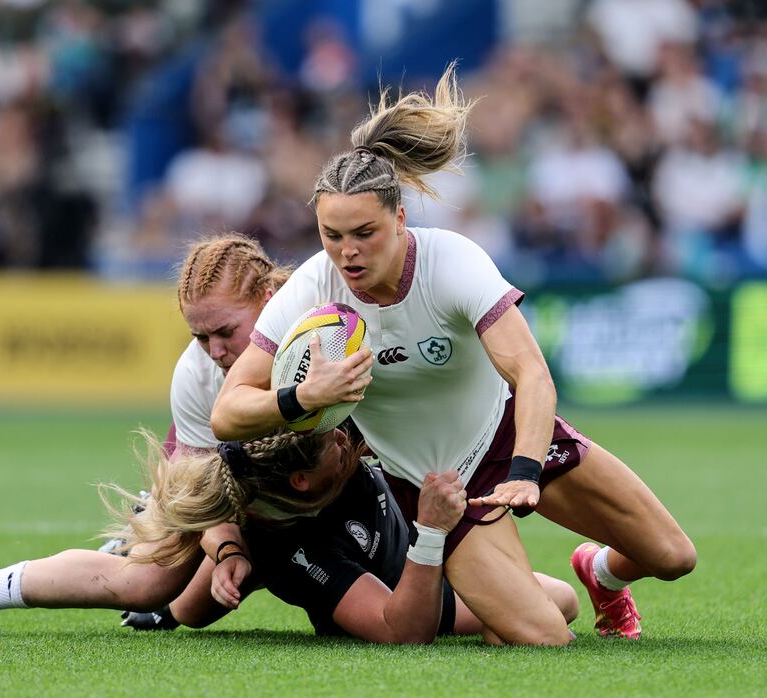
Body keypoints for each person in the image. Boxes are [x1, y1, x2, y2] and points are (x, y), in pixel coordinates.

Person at [210, 63, 696, 645]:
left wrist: (525, 472)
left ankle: (600, 571)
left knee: (673, 556)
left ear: (400, 218)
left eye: (365, 232)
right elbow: (228, 411)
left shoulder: (452, 261)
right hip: (438, 487)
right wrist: (304, 397)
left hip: (508, 436)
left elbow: (531, 373)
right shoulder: (312, 289)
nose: (347, 252)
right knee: (546, 638)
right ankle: (502, 596)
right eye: (331, 235)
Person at [0, 234, 291, 637]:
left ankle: (149, 533)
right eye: (200, 337)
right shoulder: (196, 375)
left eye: (225, 331)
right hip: (215, 469)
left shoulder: (322, 329)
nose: (215, 352)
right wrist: (227, 549)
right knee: (147, 584)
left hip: (288, 480)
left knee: (197, 604)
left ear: (269, 298)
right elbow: (210, 507)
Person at [117, 426, 578, 643]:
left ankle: (183, 583)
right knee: (191, 609)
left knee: (561, 601)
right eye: (331, 443)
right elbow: (401, 631)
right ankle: (159, 595)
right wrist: (432, 531)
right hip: (407, 593)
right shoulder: (293, 546)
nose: (341, 437)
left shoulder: (327, 444)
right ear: (302, 480)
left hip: (419, 571)